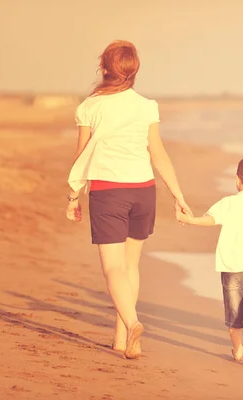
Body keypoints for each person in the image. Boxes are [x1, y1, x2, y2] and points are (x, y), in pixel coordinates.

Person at [66, 40, 192, 360]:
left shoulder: (90, 107)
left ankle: (133, 324)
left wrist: (73, 195)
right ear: (134, 70)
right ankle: (121, 339)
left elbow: (82, 155)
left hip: (109, 192)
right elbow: (158, 153)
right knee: (131, 265)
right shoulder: (147, 105)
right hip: (143, 190)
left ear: (104, 68)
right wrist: (178, 195)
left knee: (112, 269)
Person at [177, 155, 243, 368]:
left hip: (231, 265)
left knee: (234, 312)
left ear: (237, 180)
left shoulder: (228, 203)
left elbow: (210, 220)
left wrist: (190, 220)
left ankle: (238, 350)